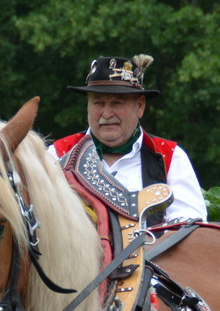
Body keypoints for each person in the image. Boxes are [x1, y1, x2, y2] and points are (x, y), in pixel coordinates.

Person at [51, 55, 206, 226]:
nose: (107, 113)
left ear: (139, 106)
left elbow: (189, 227)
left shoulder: (169, 157)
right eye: (98, 103)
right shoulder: (58, 155)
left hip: (153, 252)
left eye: (117, 103)